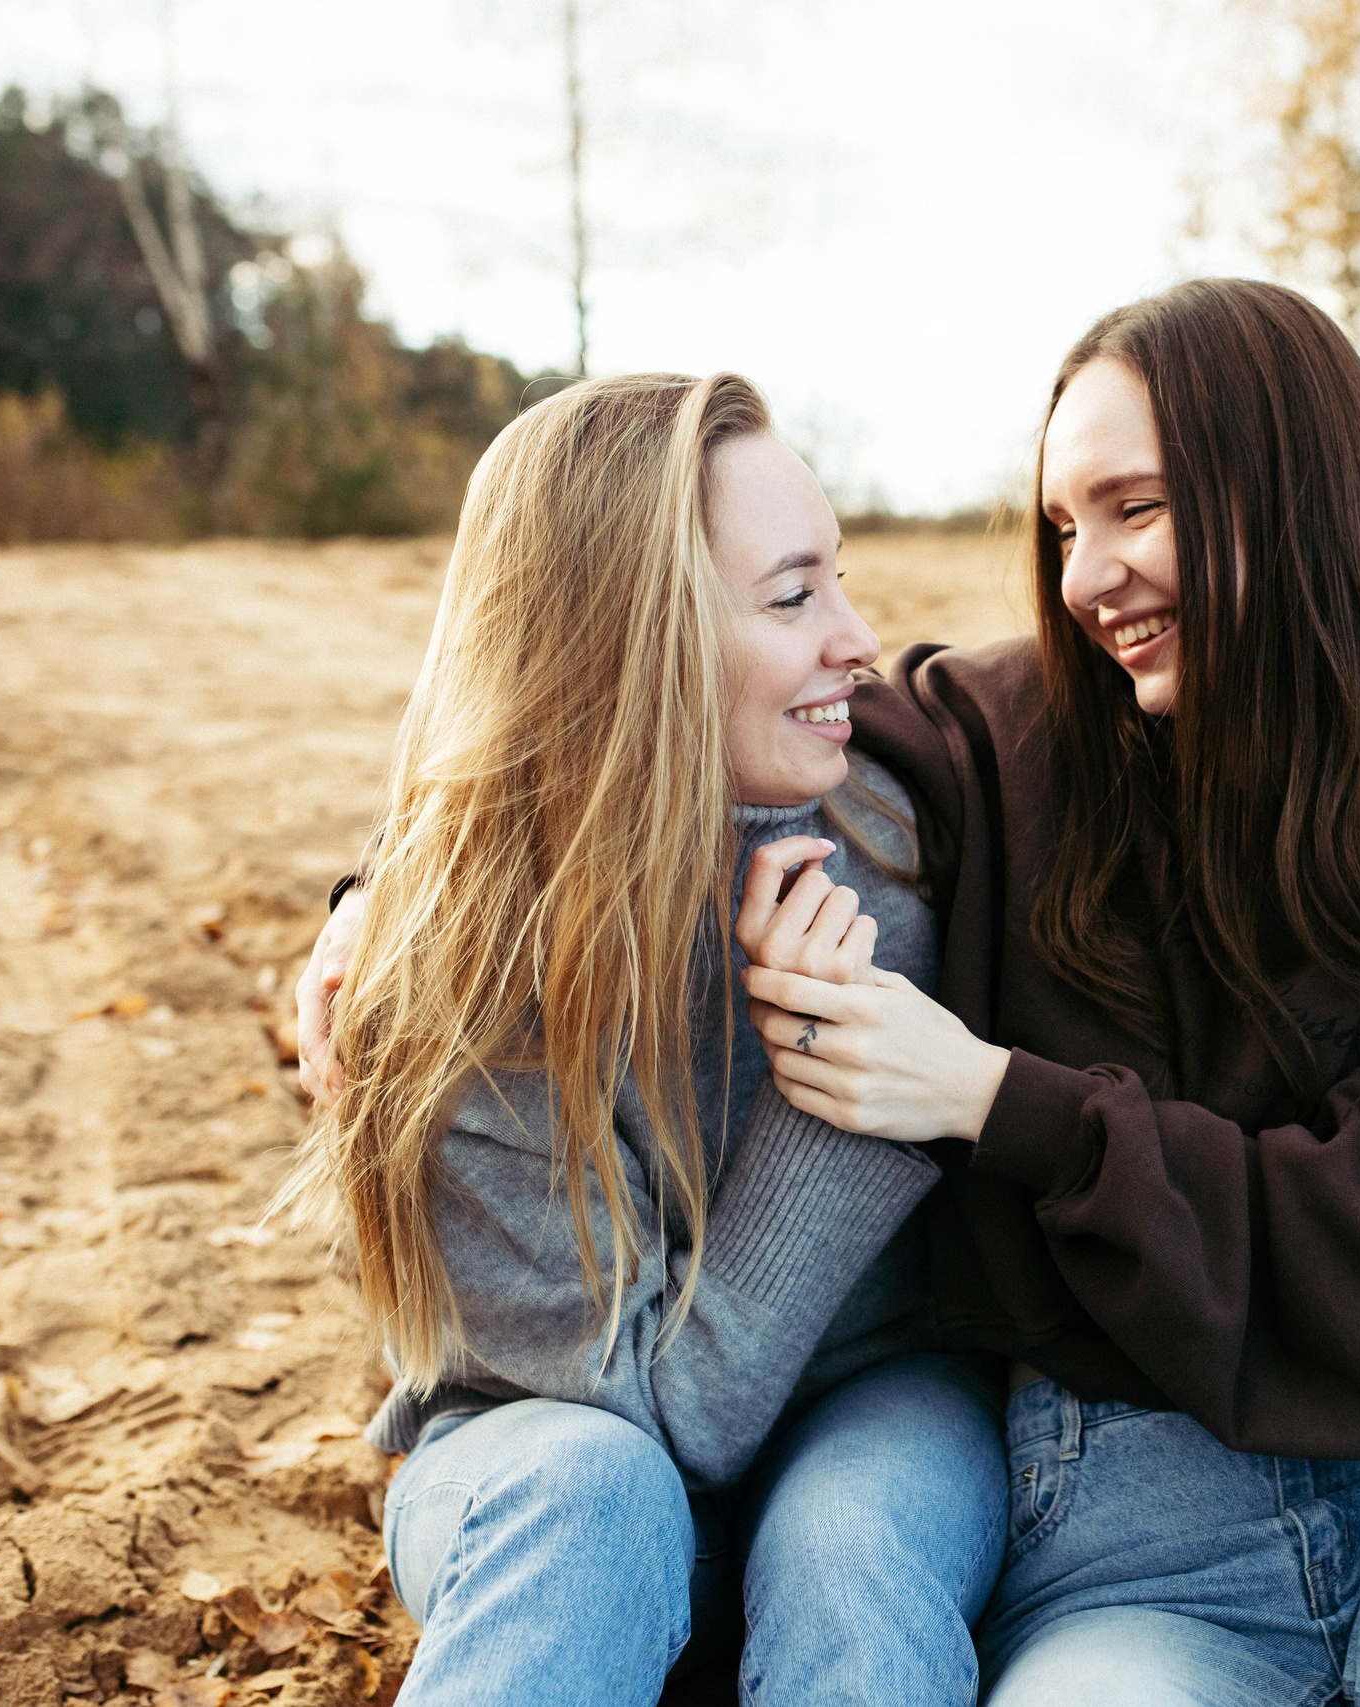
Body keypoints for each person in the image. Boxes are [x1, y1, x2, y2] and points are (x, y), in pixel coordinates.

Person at [735, 278, 1360, 1705]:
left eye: (1138, 509)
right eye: (1065, 527)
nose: (1083, 578)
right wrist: (393, 880)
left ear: (1293, 494)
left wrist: (1006, 1104)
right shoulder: (1007, 744)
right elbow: (692, 701)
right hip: (1126, 1527)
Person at [285, 372, 1005, 1707]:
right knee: (592, 1492)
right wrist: (833, 1089)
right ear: (631, 642)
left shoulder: (877, 858)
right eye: (795, 598)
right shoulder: (458, 973)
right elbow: (669, 1426)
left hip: (878, 1409)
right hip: (537, 1445)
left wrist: (848, 1041)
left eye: (838, 577)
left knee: (852, 1547)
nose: (856, 637)